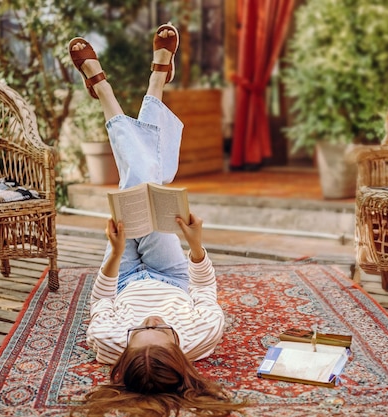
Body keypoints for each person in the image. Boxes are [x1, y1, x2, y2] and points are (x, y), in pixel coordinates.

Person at [67, 23, 245, 417]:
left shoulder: (109, 342)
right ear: (181, 352)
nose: (152, 320)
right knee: (147, 180)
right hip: (172, 275)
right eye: (162, 329)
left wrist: (114, 254)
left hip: (125, 274)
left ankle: (144, 83)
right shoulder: (202, 336)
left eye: (139, 331)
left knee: (141, 179)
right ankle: (112, 91)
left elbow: (101, 300)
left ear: (125, 349)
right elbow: (203, 292)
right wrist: (196, 245)